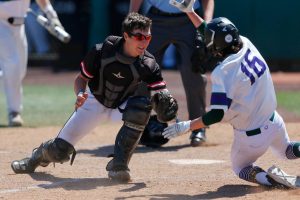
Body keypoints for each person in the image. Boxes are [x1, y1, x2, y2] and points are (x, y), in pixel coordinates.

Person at [11, 12, 178, 182]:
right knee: (59, 151)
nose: (144, 42)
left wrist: (165, 105)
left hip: (121, 106)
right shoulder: (104, 50)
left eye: (148, 37)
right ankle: (37, 156)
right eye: (139, 36)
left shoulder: (148, 64)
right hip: (94, 101)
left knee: (140, 108)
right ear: (126, 36)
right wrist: (80, 93)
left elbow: (161, 92)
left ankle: (119, 164)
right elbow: (81, 79)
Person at [162, 0, 300, 188]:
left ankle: (271, 180)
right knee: (287, 150)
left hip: (251, 138)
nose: (209, 45)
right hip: (274, 121)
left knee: (240, 168)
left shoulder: (223, 73)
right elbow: (218, 35)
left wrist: (187, 126)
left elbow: (217, 114)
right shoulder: (245, 43)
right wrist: (190, 12)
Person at [129, 0, 214, 147]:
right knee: (142, 69)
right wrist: (131, 21)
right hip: (155, 19)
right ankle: (136, 127)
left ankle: (198, 127)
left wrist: (206, 26)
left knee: (194, 71)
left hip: (189, 18)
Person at [0, 0, 64, 126]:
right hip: (1, 25)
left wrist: (52, 15)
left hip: (19, 27)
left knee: (19, 71)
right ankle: (14, 112)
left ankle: (14, 109)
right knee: (13, 63)